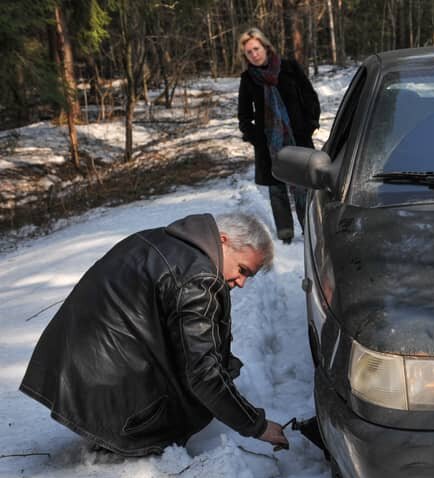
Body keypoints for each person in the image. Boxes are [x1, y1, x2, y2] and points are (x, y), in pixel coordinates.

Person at [19, 212, 290, 456]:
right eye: (242, 270)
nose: (240, 283)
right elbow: (203, 374)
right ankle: (131, 438)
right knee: (194, 401)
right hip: (108, 392)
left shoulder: (159, 238)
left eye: (248, 276)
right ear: (223, 240)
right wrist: (257, 425)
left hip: (71, 373)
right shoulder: (198, 278)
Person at [237, 27, 321, 244]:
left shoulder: (289, 67)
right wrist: (256, 138)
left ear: (265, 47)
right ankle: (285, 232)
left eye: (256, 49)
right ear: (245, 56)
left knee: (303, 185)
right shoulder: (248, 79)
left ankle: (309, 227)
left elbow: (310, 96)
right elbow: (244, 115)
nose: (254, 54)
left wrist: (310, 124)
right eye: (249, 52)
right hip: (269, 142)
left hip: (297, 136)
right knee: (277, 188)